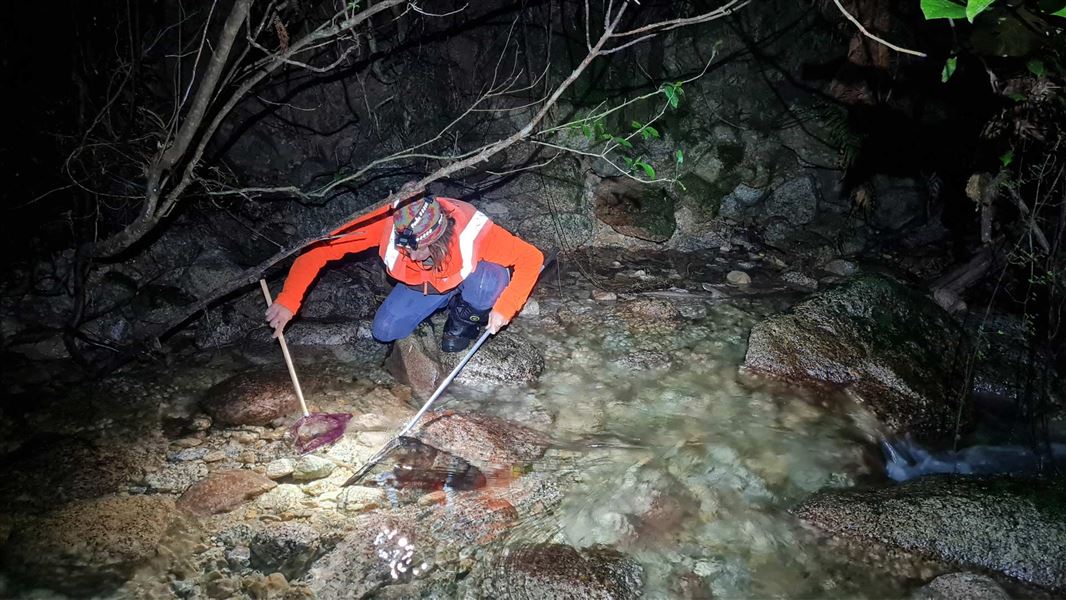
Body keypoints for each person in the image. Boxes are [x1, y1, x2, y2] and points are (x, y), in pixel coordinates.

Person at [265, 195, 544, 352]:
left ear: (439, 238)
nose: (409, 255)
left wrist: (506, 308)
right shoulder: (383, 223)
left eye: (417, 250)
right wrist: (289, 301)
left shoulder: (471, 230)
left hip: (466, 276)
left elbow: (531, 257)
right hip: (424, 287)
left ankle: (464, 314)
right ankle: (440, 304)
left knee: (489, 281)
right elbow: (319, 250)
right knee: (385, 331)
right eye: (404, 249)